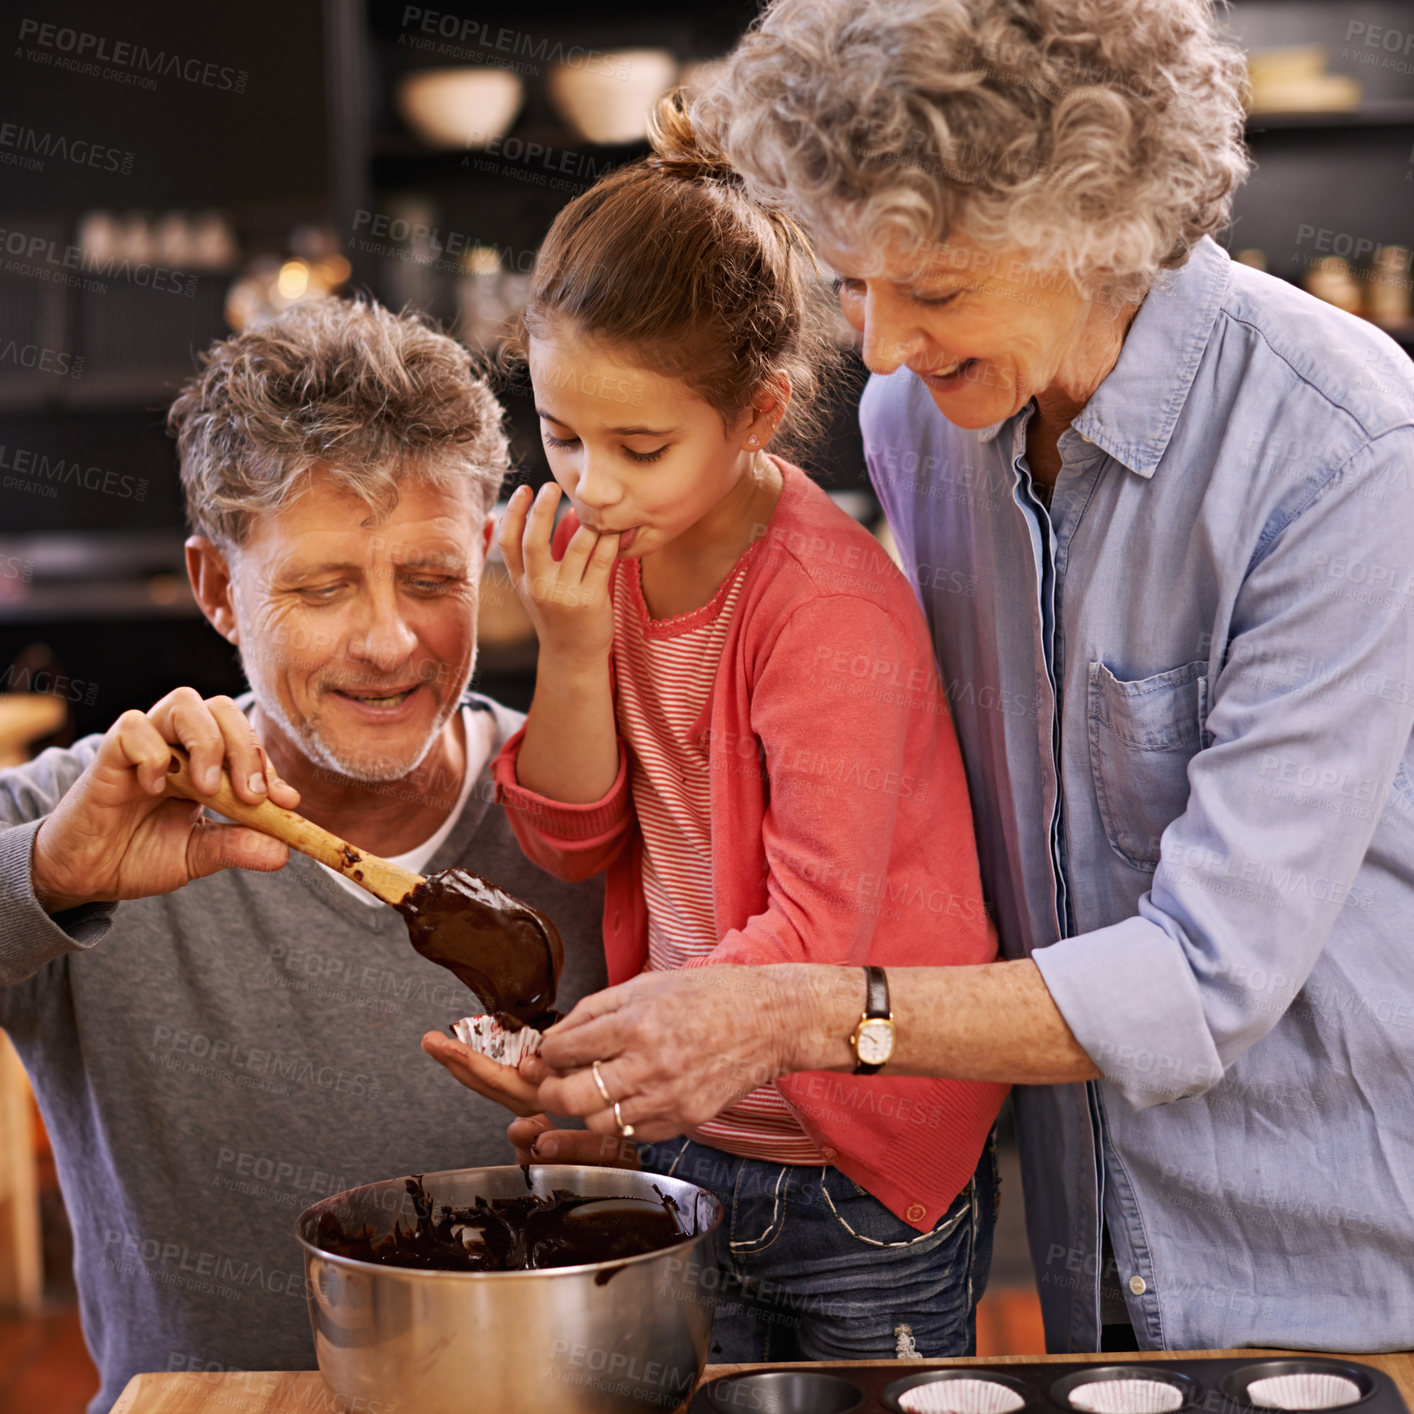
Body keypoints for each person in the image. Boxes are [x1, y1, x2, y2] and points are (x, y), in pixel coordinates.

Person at [494, 0, 1414, 1356]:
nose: (871, 347)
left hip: (1323, 1252)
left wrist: (797, 1008)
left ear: (1092, 224)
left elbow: (1206, 973)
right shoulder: (919, 418)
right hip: (1070, 1236)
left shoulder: (1345, 453)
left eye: (926, 289)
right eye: (852, 282)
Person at [425, 95, 1008, 1361]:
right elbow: (571, 839)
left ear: (758, 412)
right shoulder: (606, 563)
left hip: (856, 1172)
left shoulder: (827, 608)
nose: (590, 483)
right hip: (691, 1133)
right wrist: (572, 648)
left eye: (640, 445)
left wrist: (595, 1063)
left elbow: (815, 941)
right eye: (563, 433)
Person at [0, 296, 606, 1414]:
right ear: (217, 587)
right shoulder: (87, 818)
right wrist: (51, 875)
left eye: (430, 579)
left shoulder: (592, 809)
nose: (388, 640)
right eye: (322, 587)